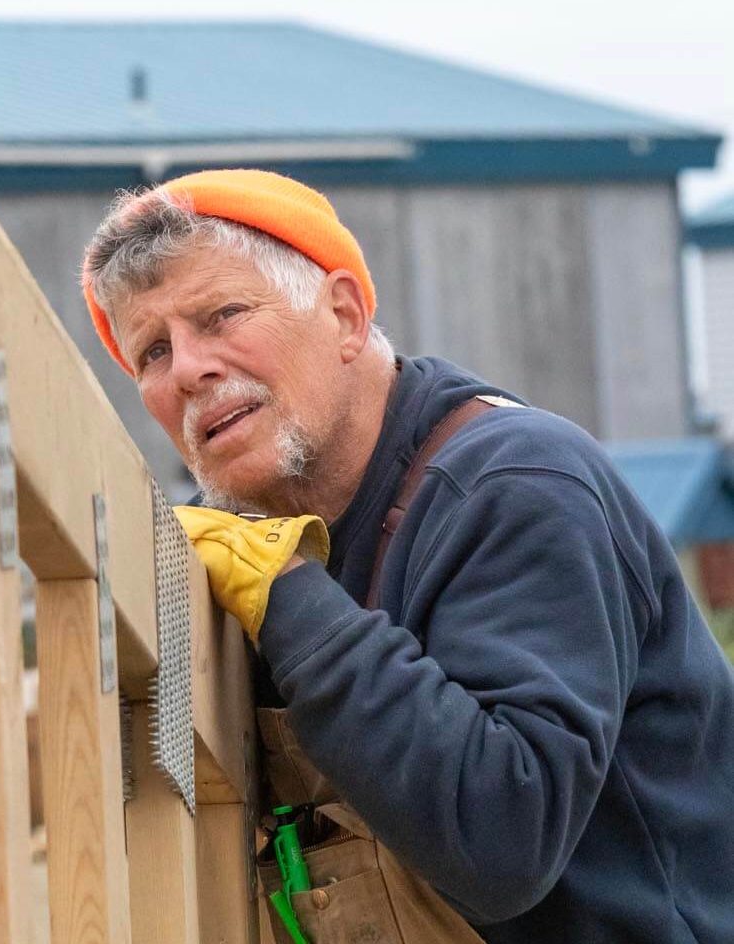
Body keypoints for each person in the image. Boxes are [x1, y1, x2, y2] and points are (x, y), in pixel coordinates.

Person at [80, 169, 734, 942]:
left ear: (346, 314)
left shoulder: (517, 485)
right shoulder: (229, 547)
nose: (188, 369)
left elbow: (502, 841)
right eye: (153, 352)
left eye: (221, 314)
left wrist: (289, 597)